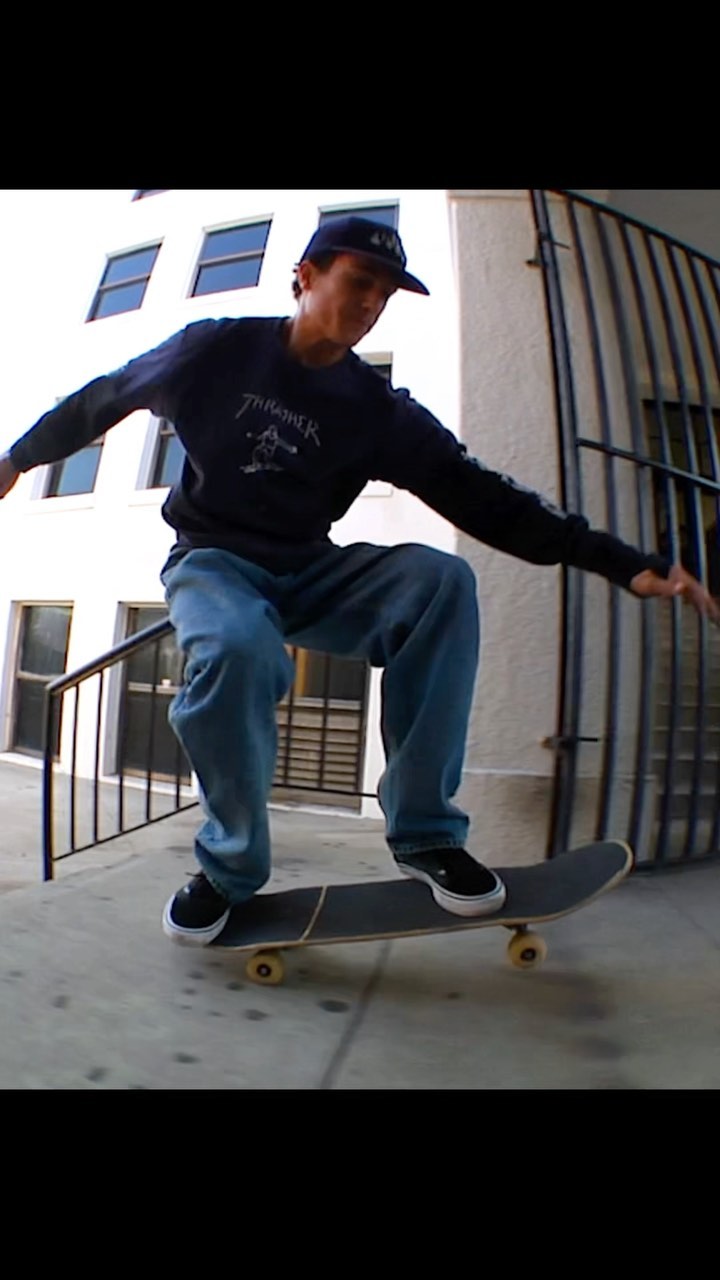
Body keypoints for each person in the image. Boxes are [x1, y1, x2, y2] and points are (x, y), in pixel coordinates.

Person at [1, 215, 717, 946]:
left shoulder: (376, 410)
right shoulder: (215, 349)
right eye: (359, 282)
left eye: (385, 293)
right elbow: (105, 397)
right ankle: (228, 866)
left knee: (439, 581)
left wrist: (623, 563)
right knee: (237, 648)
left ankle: (426, 835)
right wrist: (17, 460)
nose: (372, 302)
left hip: (311, 569)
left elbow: (487, 498)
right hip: (213, 561)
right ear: (306, 276)